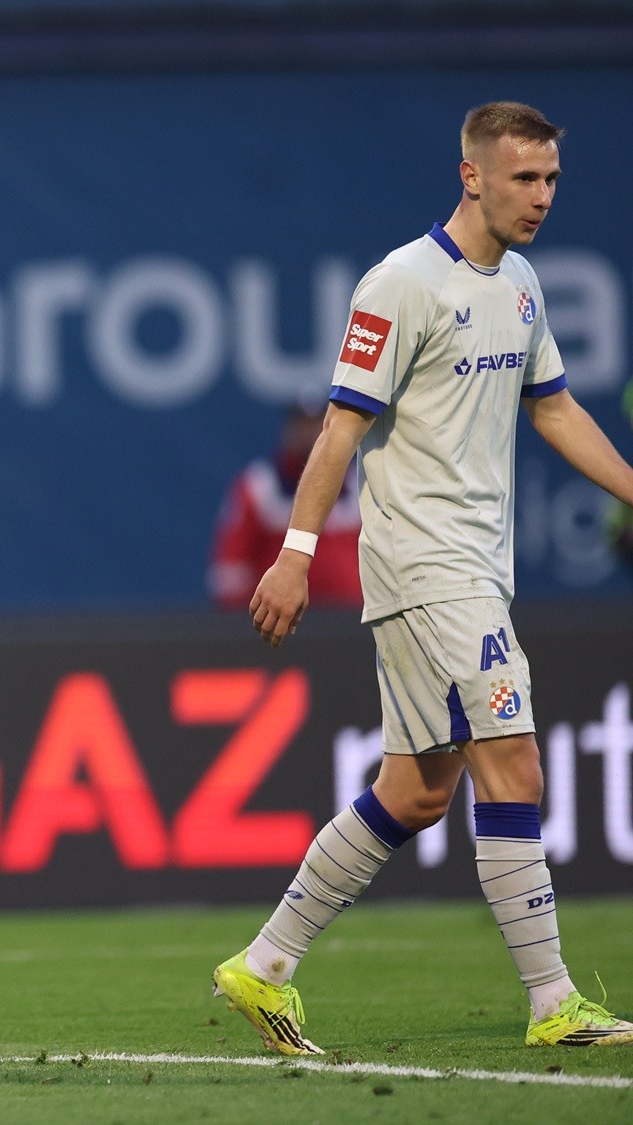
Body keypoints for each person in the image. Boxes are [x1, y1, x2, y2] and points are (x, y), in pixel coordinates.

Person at [217, 101, 633, 1053]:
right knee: (515, 763)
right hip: (429, 566)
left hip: (475, 567)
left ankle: (264, 964)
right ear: (470, 176)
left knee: (415, 791)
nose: (541, 196)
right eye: (523, 178)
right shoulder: (402, 283)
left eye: (552, 179)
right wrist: (295, 553)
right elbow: (340, 428)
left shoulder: (520, 283)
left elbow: (554, 408)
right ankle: (554, 1001)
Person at [209, 401, 361, 611]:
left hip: (354, 619)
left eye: (319, 424)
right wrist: (246, 621)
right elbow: (230, 568)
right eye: (301, 424)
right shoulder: (259, 487)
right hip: (282, 621)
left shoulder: (361, 484)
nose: (310, 433)